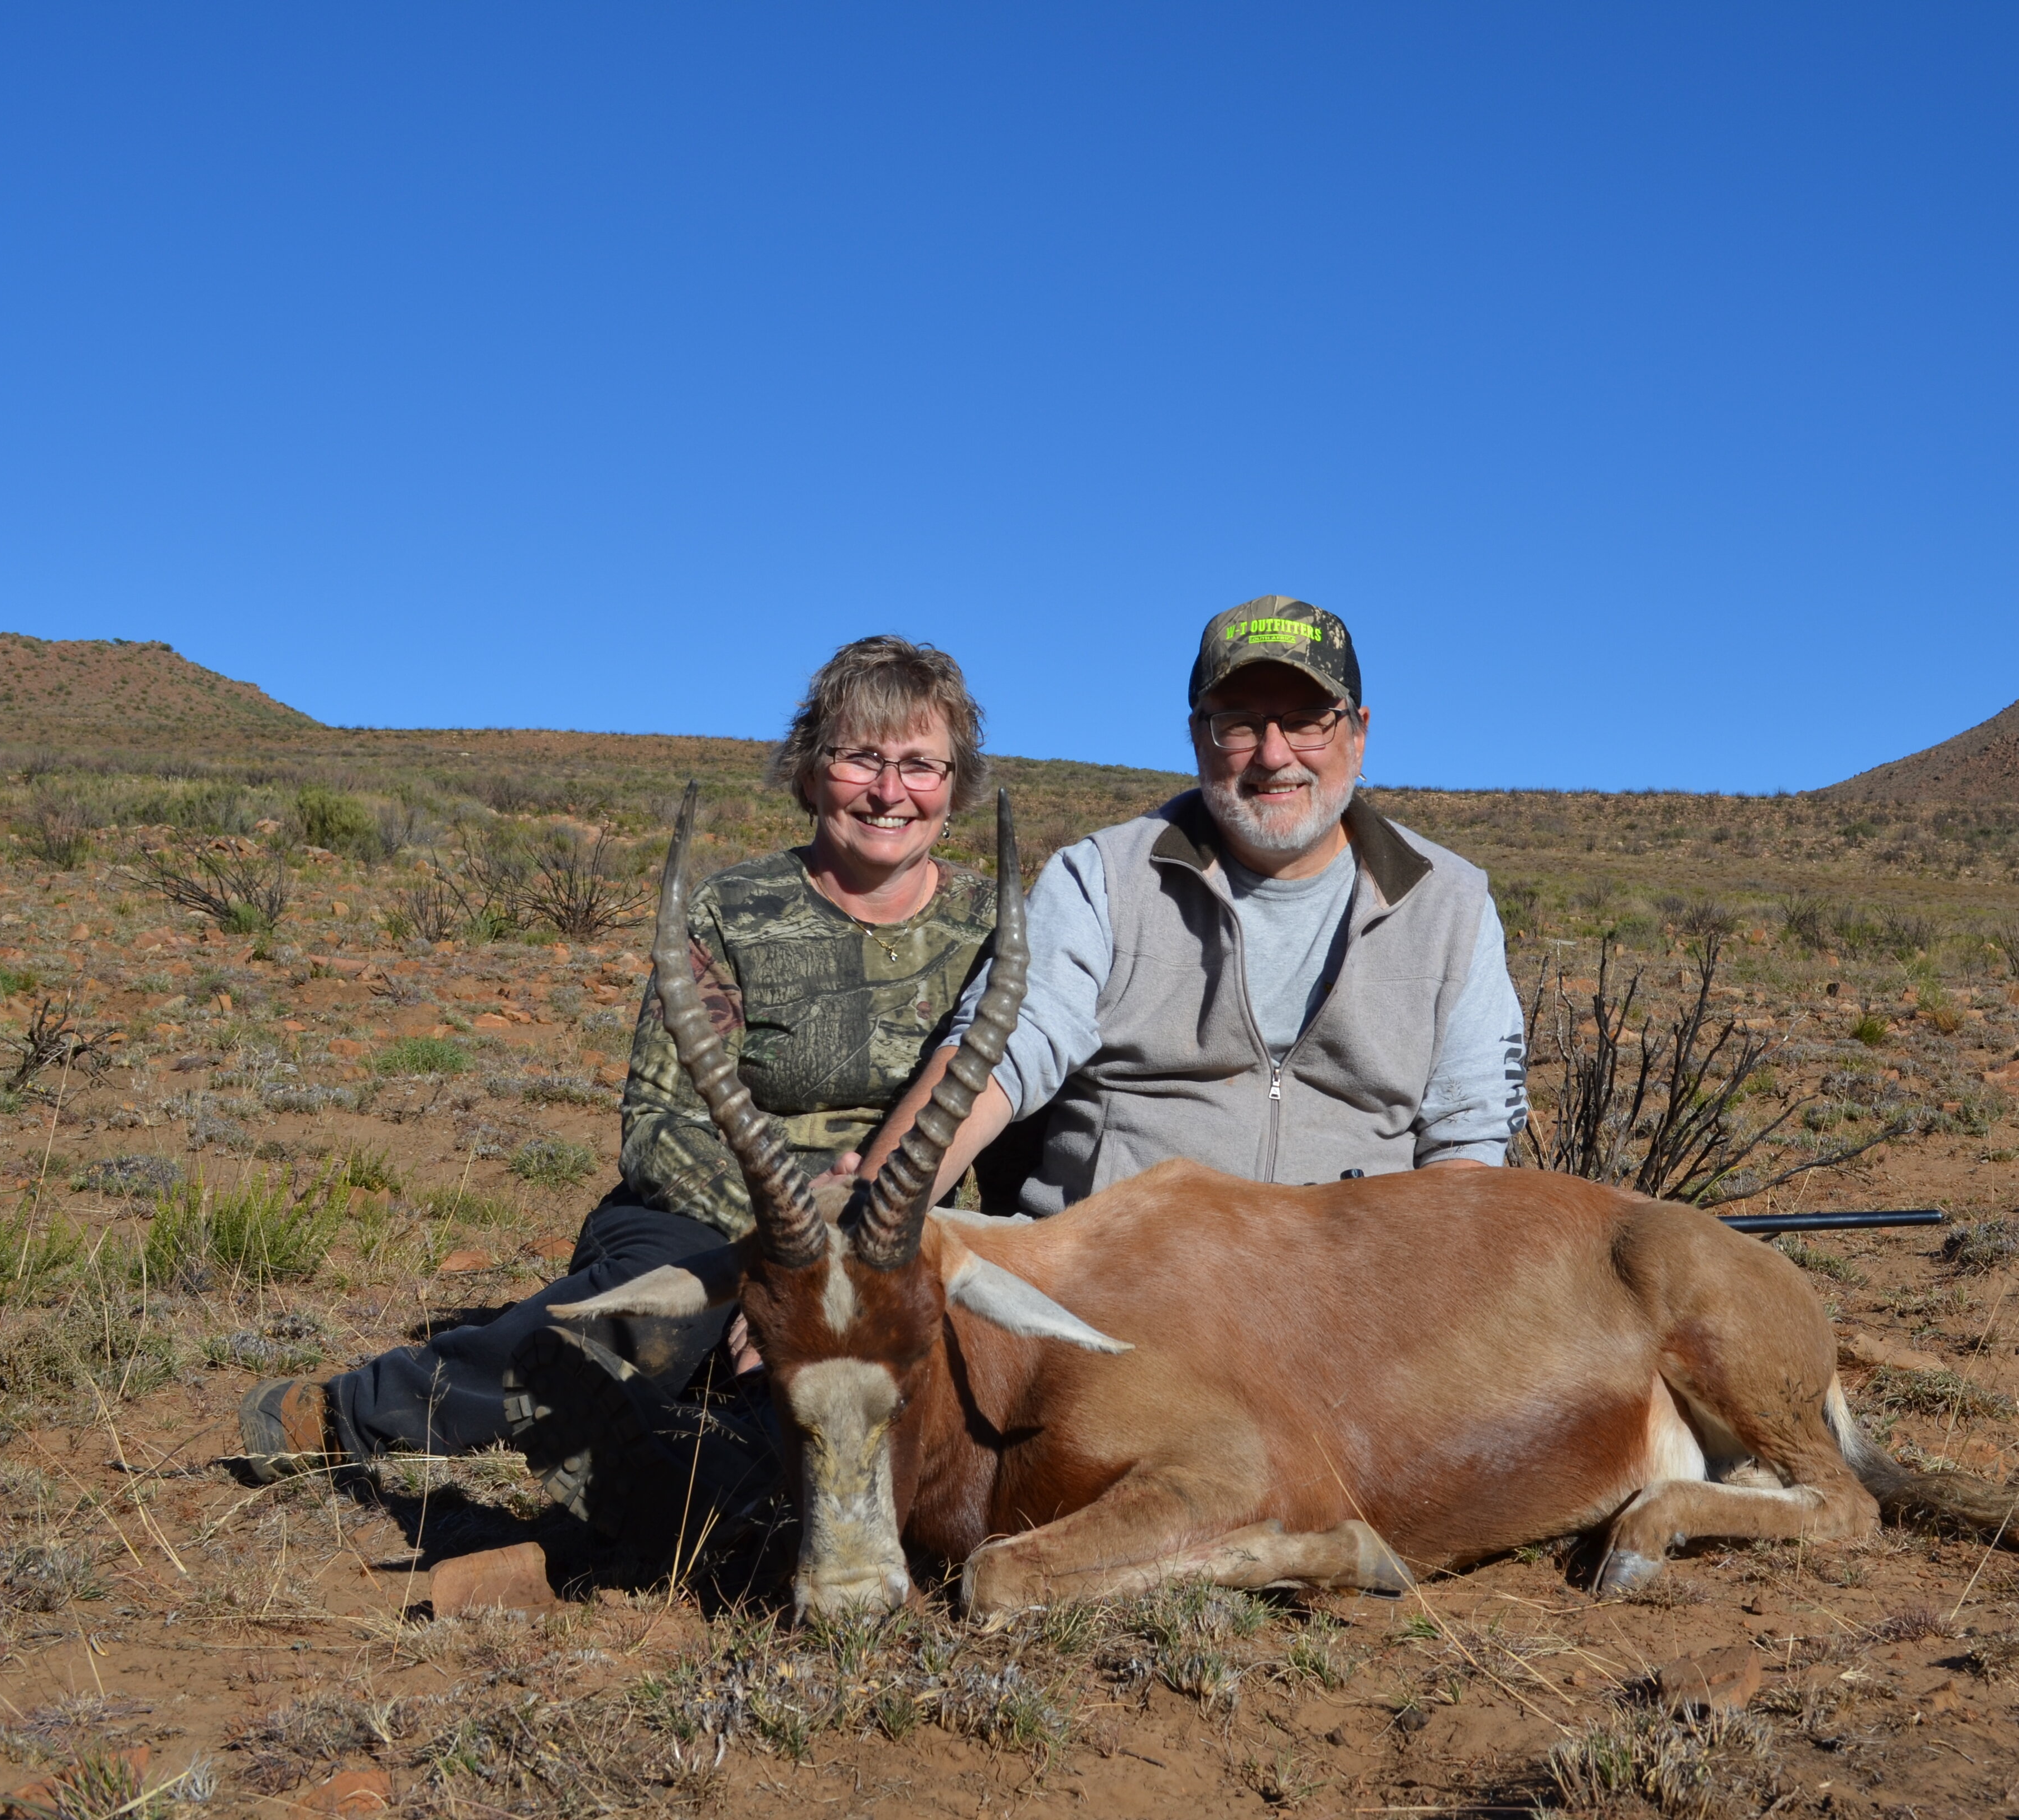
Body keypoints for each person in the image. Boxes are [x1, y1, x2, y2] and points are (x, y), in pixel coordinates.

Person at [233, 635, 999, 1539]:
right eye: (860, 756)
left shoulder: (993, 921)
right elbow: (659, 1122)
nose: (888, 789)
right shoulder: (729, 911)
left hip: (898, 1226)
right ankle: (355, 1410)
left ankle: (688, 1467)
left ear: (954, 786)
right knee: (644, 1312)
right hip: (719, 1213)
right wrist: (786, 1249)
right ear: (810, 767)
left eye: (919, 764)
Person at [864, 594, 1524, 1212]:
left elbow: (1468, 1147)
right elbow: (996, 1056)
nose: (1272, 755)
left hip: (1344, 1293)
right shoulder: (1102, 878)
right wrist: (873, 1209)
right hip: (1113, 1285)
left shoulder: (1451, 904)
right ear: (1196, 736)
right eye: (1236, 723)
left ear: (1358, 734)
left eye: (1307, 722)